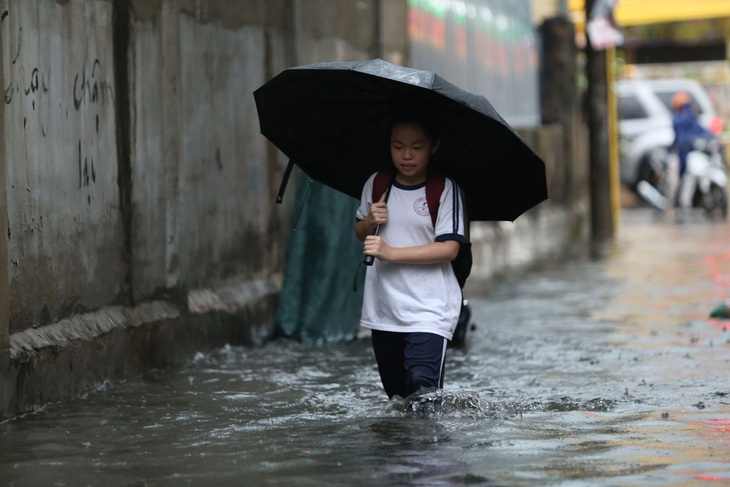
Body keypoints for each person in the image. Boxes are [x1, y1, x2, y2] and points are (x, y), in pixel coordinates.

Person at [354, 113, 465, 401]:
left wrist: (391, 253)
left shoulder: (444, 189)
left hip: (429, 308)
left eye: (417, 147)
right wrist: (368, 222)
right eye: (397, 146)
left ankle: (430, 447)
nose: (406, 155)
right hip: (384, 308)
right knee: (397, 399)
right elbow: (359, 232)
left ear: (433, 146)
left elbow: (450, 247)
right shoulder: (377, 184)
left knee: (422, 391)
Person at [670, 91, 716, 213]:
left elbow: (701, 130)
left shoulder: (680, 117)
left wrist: (711, 137)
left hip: (689, 151)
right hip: (686, 151)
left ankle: (681, 202)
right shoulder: (685, 116)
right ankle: (681, 202)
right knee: (685, 177)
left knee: (685, 176)